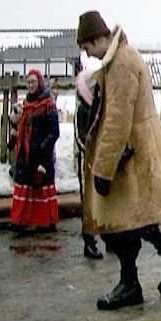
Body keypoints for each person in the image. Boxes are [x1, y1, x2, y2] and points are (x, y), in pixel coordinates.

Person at [75, 10, 161, 310]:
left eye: (88, 47)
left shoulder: (122, 63)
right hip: (131, 152)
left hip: (127, 156)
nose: (88, 55)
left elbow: (118, 118)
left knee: (120, 223)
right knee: (133, 218)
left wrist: (103, 168)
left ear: (97, 39)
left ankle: (130, 284)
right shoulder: (119, 60)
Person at [7, 70, 60, 236]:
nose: (30, 85)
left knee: (40, 186)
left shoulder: (48, 105)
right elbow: (21, 125)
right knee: (24, 186)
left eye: (33, 82)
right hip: (26, 153)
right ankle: (20, 221)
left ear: (39, 83)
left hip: (40, 154)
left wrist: (42, 148)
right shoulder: (25, 105)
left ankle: (45, 222)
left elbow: (54, 131)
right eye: (28, 82)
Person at [74, 67, 102, 259]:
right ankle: (89, 241)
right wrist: (92, 153)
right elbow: (80, 137)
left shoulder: (98, 106)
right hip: (87, 161)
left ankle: (108, 237)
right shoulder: (83, 109)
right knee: (89, 204)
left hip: (99, 159)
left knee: (101, 201)